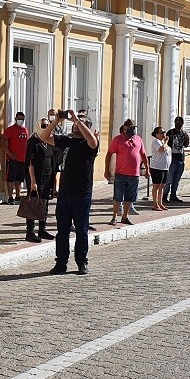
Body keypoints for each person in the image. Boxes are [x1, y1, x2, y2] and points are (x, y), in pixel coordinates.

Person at [39, 110, 99, 275]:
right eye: (74, 122)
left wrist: (77, 121)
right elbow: (44, 136)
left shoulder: (89, 144)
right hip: (65, 193)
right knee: (62, 231)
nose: (75, 124)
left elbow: (92, 141)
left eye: (81, 122)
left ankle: (82, 262)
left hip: (82, 193)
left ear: (87, 126)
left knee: (81, 230)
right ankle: (61, 263)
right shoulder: (67, 141)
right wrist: (56, 121)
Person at [105, 119, 148, 225]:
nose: (133, 130)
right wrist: (107, 170)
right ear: (125, 128)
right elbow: (109, 154)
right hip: (120, 173)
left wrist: (147, 169)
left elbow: (143, 154)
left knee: (130, 197)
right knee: (117, 196)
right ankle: (114, 217)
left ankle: (125, 216)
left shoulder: (138, 139)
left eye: (134, 128)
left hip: (134, 174)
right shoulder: (117, 140)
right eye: (131, 128)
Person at [24, 118, 57, 242]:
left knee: (44, 204)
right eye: (44, 125)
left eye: (48, 125)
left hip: (47, 178)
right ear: (38, 126)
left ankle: (42, 230)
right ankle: (30, 232)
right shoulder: (33, 142)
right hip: (36, 178)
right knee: (33, 203)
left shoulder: (48, 141)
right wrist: (33, 181)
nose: (46, 128)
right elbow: (30, 163)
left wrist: (54, 183)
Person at [1, 111, 30, 204]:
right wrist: (8, 152)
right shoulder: (10, 129)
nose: (20, 120)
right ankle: (10, 197)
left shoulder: (25, 130)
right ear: (15, 119)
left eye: (22, 119)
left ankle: (18, 196)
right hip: (13, 159)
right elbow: (2, 140)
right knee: (11, 179)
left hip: (23, 159)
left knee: (19, 179)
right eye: (19, 119)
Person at [164, 116, 190, 204]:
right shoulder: (170, 132)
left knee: (176, 180)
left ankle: (173, 195)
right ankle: (164, 195)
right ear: (174, 122)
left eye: (180, 122)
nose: (178, 124)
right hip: (172, 159)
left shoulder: (184, 133)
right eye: (177, 122)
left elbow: (186, 145)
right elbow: (167, 144)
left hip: (181, 159)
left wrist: (187, 138)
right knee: (169, 179)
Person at [148, 127, 170, 212]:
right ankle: (155, 204)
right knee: (156, 186)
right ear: (156, 134)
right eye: (161, 132)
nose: (163, 134)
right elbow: (161, 149)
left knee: (162, 186)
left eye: (164, 132)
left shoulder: (163, 142)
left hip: (165, 167)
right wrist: (166, 142)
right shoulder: (156, 141)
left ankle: (160, 203)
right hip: (157, 167)